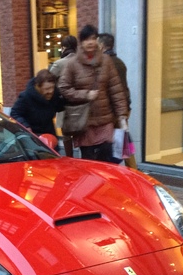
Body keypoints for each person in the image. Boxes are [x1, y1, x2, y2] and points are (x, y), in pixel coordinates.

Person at [58, 25, 128, 164]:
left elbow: (116, 90)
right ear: (81, 42)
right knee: (89, 162)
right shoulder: (73, 64)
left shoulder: (106, 61)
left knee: (107, 159)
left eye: (93, 38)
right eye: (86, 39)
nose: (90, 42)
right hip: (85, 122)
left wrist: (122, 117)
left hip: (105, 120)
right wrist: (85, 95)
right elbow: (63, 87)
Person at [98, 32, 137, 169]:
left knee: (116, 142)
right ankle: (133, 169)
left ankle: (125, 170)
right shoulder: (119, 62)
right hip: (124, 108)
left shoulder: (106, 63)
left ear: (101, 46)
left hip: (114, 110)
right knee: (123, 140)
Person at [10, 69, 65, 137]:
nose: (51, 91)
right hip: (32, 135)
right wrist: (25, 126)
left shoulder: (55, 95)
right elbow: (15, 113)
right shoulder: (26, 97)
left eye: (52, 88)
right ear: (38, 87)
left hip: (49, 134)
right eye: (47, 89)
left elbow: (59, 107)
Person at [50, 35, 77, 157]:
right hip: (81, 103)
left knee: (66, 135)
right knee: (81, 133)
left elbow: (48, 79)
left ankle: (70, 158)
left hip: (63, 104)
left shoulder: (59, 64)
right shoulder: (83, 61)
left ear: (63, 47)